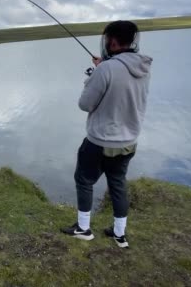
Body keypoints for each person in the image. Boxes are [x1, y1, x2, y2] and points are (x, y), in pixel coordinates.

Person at [61, 20, 152, 248]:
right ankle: (119, 235)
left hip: (100, 142)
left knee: (83, 180)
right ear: (132, 41)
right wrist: (103, 67)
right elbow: (120, 80)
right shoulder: (143, 67)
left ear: (111, 41)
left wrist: (95, 74)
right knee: (118, 184)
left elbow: (85, 104)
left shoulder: (106, 69)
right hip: (129, 142)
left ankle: (83, 229)